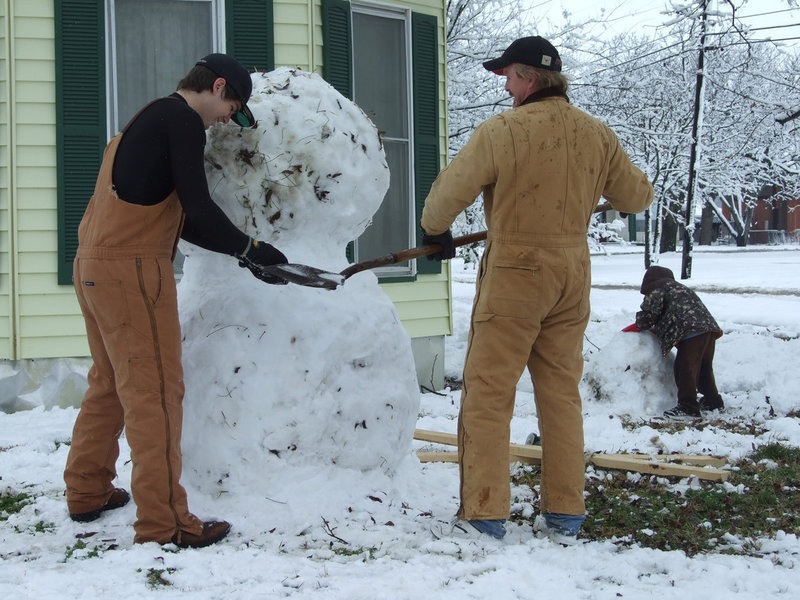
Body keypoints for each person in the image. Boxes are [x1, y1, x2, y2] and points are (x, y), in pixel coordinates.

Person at [421, 36, 654, 543]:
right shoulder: (598, 135)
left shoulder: (503, 131)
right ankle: (566, 513)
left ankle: (484, 513)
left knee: (489, 391)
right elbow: (636, 197)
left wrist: (434, 230)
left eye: (507, 76)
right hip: (572, 272)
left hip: (515, 273)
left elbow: (445, 196)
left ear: (527, 78)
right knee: (560, 393)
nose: (505, 86)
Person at [64, 54, 288, 548]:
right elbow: (199, 204)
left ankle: (86, 489)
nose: (230, 116)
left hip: (94, 264)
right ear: (219, 86)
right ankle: (166, 522)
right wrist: (249, 246)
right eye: (234, 104)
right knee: (156, 392)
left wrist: (244, 257)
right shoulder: (185, 121)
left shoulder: (148, 118)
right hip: (133, 273)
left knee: (108, 384)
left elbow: (177, 220)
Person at [634, 265, 724, 419]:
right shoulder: (678, 288)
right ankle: (713, 400)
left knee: (685, 368)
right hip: (709, 329)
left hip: (691, 332)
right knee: (703, 368)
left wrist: (640, 324)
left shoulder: (658, 289)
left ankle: (688, 408)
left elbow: (649, 315)